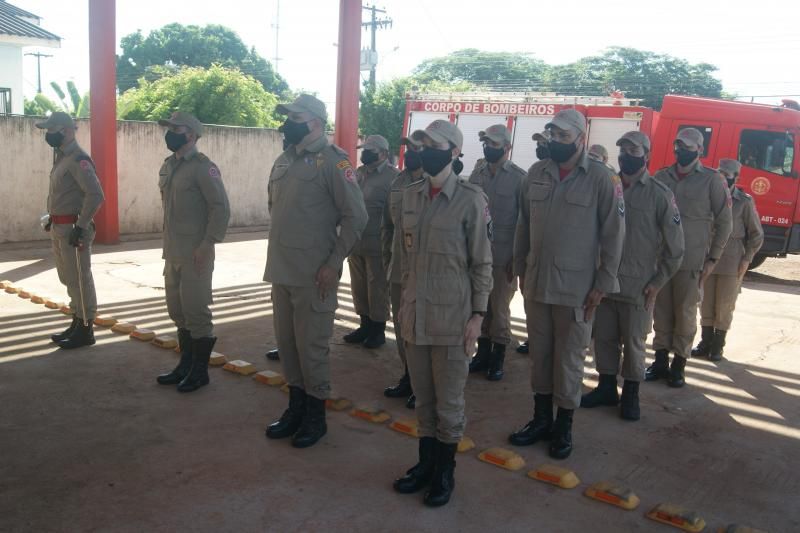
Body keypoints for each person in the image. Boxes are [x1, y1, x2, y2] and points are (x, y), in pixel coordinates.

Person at [509, 109, 625, 459]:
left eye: (563, 136)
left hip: (578, 290)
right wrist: (519, 267)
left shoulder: (603, 179)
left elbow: (614, 236)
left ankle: (564, 426)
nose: (556, 141)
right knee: (540, 357)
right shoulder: (535, 174)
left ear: (580, 139)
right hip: (537, 285)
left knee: (570, 359)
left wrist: (603, 283)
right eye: (552, 135)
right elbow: (523, 225)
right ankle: (541, 418)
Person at [393, 120, 492, 507]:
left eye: (432, 144)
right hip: (416, 315)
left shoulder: (471, 199)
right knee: (423, 399)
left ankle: (444, 474)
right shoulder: (412, 195)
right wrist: (404, 303)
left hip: (453, 320)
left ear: (453, 152)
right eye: (421, 143)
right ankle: (425, 465)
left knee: (449, 404)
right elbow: (406, 258)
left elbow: (482, 262)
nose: (423, 150)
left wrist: (478, 315)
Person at [264, 94, 367, 448]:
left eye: (296, 117)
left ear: (317, 124)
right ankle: (295, 408)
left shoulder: (334, 163)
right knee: (288, 347)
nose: (288, 122)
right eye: (287, 116)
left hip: (313, 275)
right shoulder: (284, 160)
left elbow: (357, 216)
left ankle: (315, 416)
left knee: (312, 349)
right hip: (281, 271)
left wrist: (334, 261)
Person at [581, 131, 684, 420]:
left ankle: (631, 394)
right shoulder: (607, 187)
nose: (626, 154)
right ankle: (605, 387)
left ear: (647, 155)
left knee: (634, 343)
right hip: (603, 283)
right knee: (603, 339)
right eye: (623, 149)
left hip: (638, 287)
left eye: (633, 150)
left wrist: (657, 282)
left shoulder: (659, 193)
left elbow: (676, 248)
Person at [647, 128, 732, 387]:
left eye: (687, 146)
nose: (681, 150)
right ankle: (660, 361)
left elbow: (725, 223)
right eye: (678, 145)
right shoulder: (661, 177)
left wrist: (712, 260)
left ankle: (679, 365)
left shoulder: (712, 180)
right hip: (662, 261)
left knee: (685, 314)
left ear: (699, 150)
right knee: (660, 312)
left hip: (692, 261)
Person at [155, 112, 231, 393]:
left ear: (191, 135)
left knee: (196, 311)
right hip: (173, 251)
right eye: (169, 128)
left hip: (196, 253)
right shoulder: (169, 166)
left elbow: (220, 208)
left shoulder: (203, 167)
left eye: (176, 128)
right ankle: (185, 365)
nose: (170, 132)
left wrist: (207, 244)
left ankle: (199, 372)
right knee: (177, 311)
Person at [37, 112, 105, 350]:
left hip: (74, 229)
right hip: (60, 226)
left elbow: (95, 195)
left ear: (65, 131)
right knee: (68, 278)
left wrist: (82, 225)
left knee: (79, 278)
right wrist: (51, 218)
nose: (48, 134)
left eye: (51, 129)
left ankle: (86, 328)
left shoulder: (78, 159)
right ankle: (77, 320)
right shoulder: (62, 158)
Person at [467, 125, 525, 381]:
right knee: (479, 305)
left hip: (504, 257)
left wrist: (517, 257)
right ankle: (482, 354)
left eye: (493, 143)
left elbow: (526, 222)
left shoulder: (519, 178)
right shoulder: (477, 173)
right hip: (477, 255)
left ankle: (498, 357)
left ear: (507, 147)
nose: (488, 147)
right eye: (486, 142)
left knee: (499, 309)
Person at [692, 158, 763, 361]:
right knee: (704, 302)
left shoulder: (744, 202)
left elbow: (756, 234)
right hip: (706, 257)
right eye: (720, 173)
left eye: (727, 175)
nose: (723, 178)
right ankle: (705, 342)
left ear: (736, 178)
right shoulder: (708, 197)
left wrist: (747, 259)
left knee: (724, 305)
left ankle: (717, 345)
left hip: (731, 260)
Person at [382, 137, 424, 409]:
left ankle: (423, 385)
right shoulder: (398, 182)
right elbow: (388, 226)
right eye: (409, 148)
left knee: (421, 330)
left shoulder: (437, 185)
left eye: (417, 149)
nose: (410, 153)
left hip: (424, 273)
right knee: (401, 327)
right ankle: (408, 376)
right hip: (398, 268)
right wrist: (386, 258)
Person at [343, 135, 397, 349]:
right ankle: (364, 325)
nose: (365, 153)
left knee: (378, 288)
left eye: (370, 150)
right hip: (356, 241)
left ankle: (378, 330)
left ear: (383, 153)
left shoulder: (394, 177)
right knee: (359, 286)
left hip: (378, 243)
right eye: (364, 149)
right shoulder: (358, 173)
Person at [517, 130, 552, 356]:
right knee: (531, 301)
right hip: (533, 256)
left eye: (543, 143)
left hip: (559, 261)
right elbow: (523, 218)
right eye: (537, 143)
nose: (539, 147)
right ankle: (534, 338)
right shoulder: (533, 174)